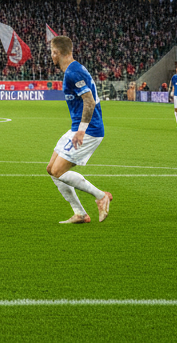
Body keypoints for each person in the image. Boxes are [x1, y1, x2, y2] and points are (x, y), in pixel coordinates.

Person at [45, 35, 112, 224]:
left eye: (52, 52)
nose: (51, 56)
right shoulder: (75, 69)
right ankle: (80, 213)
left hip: (89, 130)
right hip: (78, 127)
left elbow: (89, 101)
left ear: (57, 53)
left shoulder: (73, 73)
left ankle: (101, 196)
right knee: (51, 169)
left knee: (58, 170)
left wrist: (81, 130)